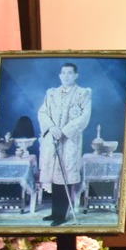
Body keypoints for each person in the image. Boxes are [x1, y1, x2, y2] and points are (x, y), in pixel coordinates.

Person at [39, 61, 91, 225]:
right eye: (63, 73)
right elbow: (42, 112)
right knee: (55, 177)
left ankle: (62, 215)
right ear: (60, 75)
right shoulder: (52, 93)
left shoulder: (83, 93)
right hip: (53, 138)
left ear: (76, 75)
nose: (66, 76)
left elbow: (84, 117)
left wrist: (64, 131)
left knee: (65, 176)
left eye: (70, 73)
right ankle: (55, 213)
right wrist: (52, 127)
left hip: (69, 141)